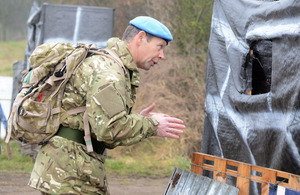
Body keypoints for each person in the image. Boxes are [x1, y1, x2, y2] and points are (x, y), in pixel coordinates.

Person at [28, 16, 185, 194]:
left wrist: (138, 120)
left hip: (68, 169)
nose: (162, 56)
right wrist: (153, 126)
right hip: (70, 174)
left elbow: (101, 126)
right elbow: (110, 130)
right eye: (160, 47)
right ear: (140, 38)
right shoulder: (109, 72)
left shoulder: (110, 65)